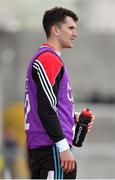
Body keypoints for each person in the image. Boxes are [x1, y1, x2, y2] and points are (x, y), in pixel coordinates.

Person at [24, 7, 95, 179]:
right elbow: (46, 109)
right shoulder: (48, 59)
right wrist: (62, 147)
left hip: (46, 147)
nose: (75, 33)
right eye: (71, 28)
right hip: (52, 148)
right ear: (55, 30)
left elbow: (48, 103)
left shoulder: (48, 58)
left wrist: (72, 116)